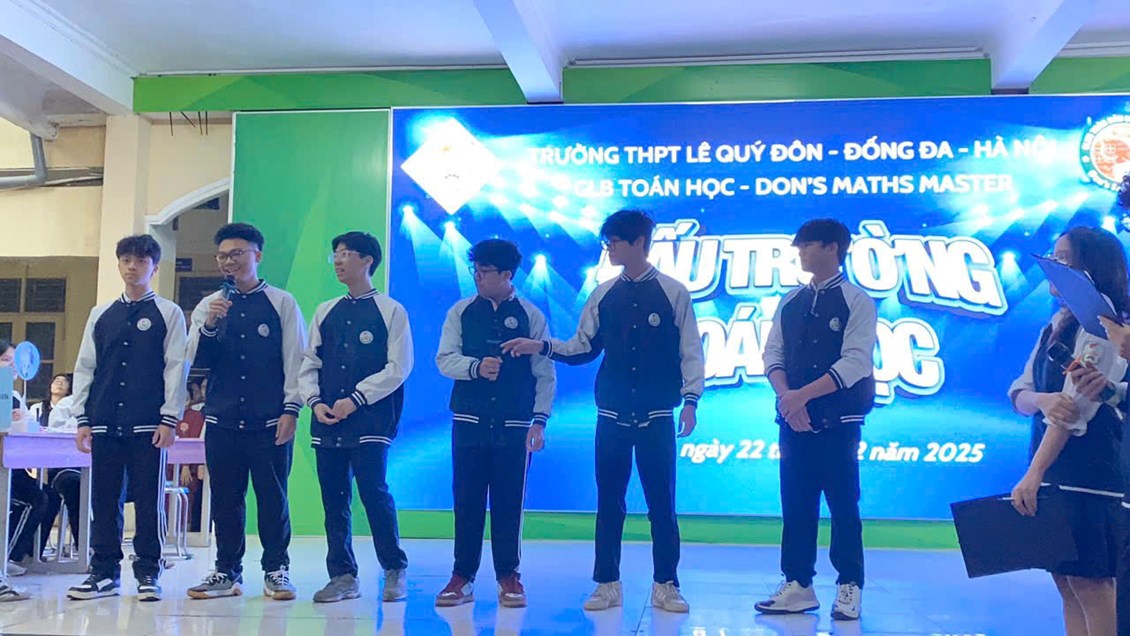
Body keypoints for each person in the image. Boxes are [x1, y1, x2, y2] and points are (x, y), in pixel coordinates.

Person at [501, 209, 705, 614]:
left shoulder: (673, 292)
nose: (609, 249)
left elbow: (691, 350)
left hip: (657, 415)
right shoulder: (604, 293)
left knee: (661, 504)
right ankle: (606, 583)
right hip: (612, 414)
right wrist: (541, 346)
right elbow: (582, 347)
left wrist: (691, 399)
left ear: (639, 243)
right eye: (606, 242)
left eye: (614, 242)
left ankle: (666, 584)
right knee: (609, 502)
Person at [1009, 227, 1128, 636]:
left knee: (1091, 583)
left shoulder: (1103, 327)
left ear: (1090, 269)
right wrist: (1040, 400)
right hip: (1054, 472)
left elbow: (1072, 411)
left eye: (1063, 259)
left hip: (1089, 476)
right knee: (1066, 582)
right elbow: (1020, 391)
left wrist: (1034, 472)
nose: (1053, 266)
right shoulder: (1057, 323)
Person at [756, 218, 877, 622]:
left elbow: (856, 362)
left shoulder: (857, 301)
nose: (801, 252)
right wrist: (787, 400)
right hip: (793, 422)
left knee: (843, 505)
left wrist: (801, 397)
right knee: (795, 503)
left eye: (807, 245)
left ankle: (849, 585)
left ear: (832, 248)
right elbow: (772, 353)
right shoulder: (791, 300)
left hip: (839, 422)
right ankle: (798, 584)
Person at [66, 234, 190, 602]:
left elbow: (176, 367)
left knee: (149, 500)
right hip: (104, 419)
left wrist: (170, 418)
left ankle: (149, 571)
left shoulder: (168, 313)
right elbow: (86, 366)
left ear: (155, 267)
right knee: (104, 500)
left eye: (140, 261)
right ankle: (104, 572)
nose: (132, 267)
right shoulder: (100, 314)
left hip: (149, 423)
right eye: (126, 260)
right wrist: (82, 417)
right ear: (118, 265)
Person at [186, 222, 306, 600]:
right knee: (225, 499)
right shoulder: (209, 305)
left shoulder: (281, 302)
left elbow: (296, 359)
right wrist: (210, 325)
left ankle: (276, 569)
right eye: (222, 256)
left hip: (269, 420)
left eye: (237, 253)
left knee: (272, 497)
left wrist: (291, 409)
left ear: (258, 255)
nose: (229, 262)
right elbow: (196, 362)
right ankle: (226, 570)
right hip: (221, 420)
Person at [434, 239, 555, 608]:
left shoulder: (530, 315)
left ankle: (509, 576)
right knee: (466, 501)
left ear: (507, 275)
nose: (477, 277)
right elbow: (444, 359)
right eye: (475, 271)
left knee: (509, 503)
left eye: (484, 272)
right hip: (468, 422)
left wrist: (539, 421)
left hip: (514, 425)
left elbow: (544, 372)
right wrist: (475, 367)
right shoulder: (461, 311)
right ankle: (462, 576)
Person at [298, 232, 411, 604]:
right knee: (334, 501)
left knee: (374, 493)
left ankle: (394, 568)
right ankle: (342, 576)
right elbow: (309, 363)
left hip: (372, 420)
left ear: (367, 261)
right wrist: (315, 402)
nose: (337, 260)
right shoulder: (325, 310)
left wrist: (357, 398)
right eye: (335, 254)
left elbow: (399, 367)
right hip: (328, 419)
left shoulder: (390, 310)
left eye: (346, 254)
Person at [0, 340, 41, 601]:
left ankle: (9, 560)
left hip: (9, 463)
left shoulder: (12, 394)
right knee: (32, 498)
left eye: (14, 361)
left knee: (40, 495)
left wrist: (18, 420)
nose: (12, 366)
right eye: (6, 360)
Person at [36, 373, 82, 558]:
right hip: (66, 466)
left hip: (99, 466)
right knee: (74, 487)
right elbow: (58, 433)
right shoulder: (65, 405)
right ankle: (85, 549)